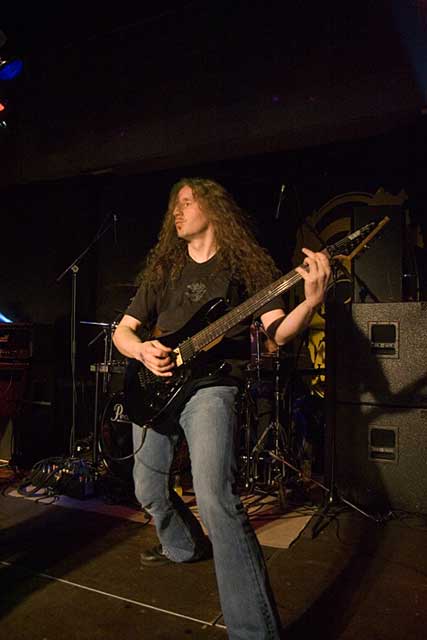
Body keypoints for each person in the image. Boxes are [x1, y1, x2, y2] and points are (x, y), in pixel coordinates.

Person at [112, 177, 331, 640]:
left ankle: (254, 632)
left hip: (211, 387)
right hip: (156, 386)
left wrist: (311, 301)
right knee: (147, 489)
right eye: (174, 204)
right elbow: (122, 332)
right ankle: (183, 545)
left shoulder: (244, 267)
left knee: (215, 499)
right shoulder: (166, 269)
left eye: (187, 202)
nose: (177, 210)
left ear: (213, 208)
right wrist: (142, 350)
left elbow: (278, 331)